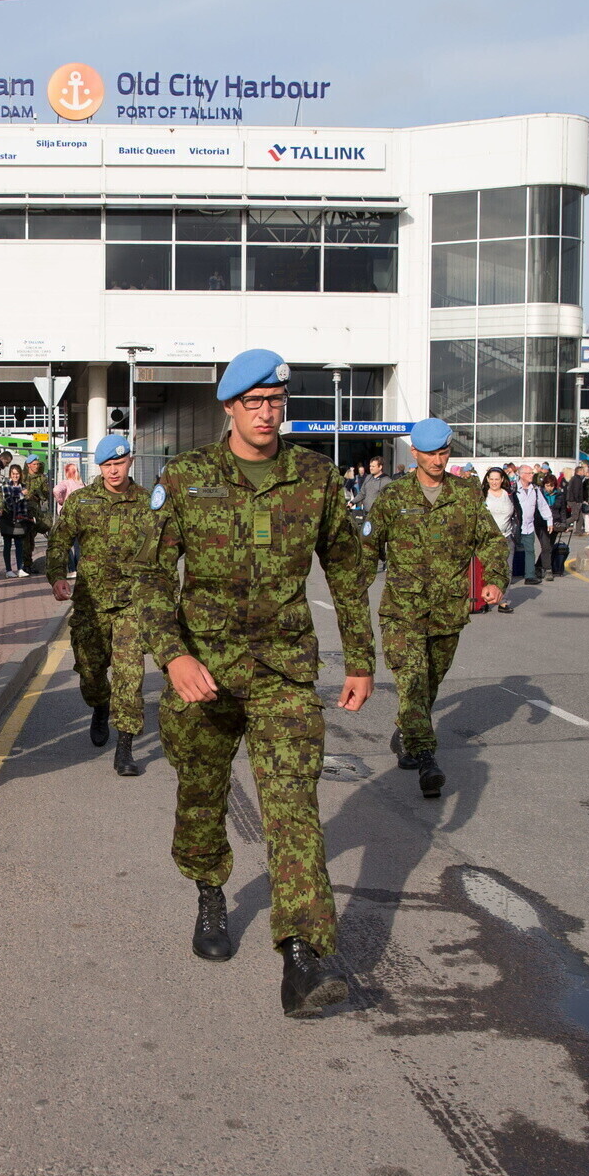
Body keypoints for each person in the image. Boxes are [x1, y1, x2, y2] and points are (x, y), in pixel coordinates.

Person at [133, 349, 374, 1018]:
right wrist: (173, 657)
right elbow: (150, 577)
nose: (267, 414)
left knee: (293, 805)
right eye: (254, 402)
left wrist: (360, 658)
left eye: (276, 401)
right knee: (200, 793)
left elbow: (346, 570)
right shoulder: (187, 478)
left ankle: (302, 956)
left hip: (283, 671)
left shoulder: (315, 477)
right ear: (230, 407)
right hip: (203, 673)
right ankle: (210, 888)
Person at [363, 420, 508, 797]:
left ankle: (405, 732)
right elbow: (367, 550)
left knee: (428, 683)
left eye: (443, 453)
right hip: (402, 612)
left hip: (448, 612)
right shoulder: (394, 497)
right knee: (412, 681)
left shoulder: (465, 494)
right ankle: (427, 758)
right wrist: (350, 593)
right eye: (429, 454)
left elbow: (490, 541)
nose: (437, 460)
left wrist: (495, 579)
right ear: (414, 453)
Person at [45, 434, 157, 777]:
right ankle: (100, 704)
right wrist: (57, 576)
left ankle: (125, 747)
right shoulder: (82, 501)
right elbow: (59, 541)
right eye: (107, 465)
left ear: (130, 461)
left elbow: (161, 552)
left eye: (119, 463)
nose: (113, 471)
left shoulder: (148, 502)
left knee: (129, 675)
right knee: (91, 672)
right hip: (91, 603)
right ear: (99, 467)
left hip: (131, 603)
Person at [478, 468, 520, 613]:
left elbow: (518, 513)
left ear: (502, 480)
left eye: (497, 479)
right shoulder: (482, 495)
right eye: (491, 479)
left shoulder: (510, 495)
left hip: (506, 537)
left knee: (507, 570)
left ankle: (503, 601)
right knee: (484, 570)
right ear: (487, 479)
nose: (494, 482)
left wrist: (516, 532)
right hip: (487, 539)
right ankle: (484, 600)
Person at [0, 464, 36, 576]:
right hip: (8, 518)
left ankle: (20, 569)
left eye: (17, 474)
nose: (15, 476)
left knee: (19, 544)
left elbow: (25, 502)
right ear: (10, 474)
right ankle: (8, 570)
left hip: (20, 519)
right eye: (13, 474)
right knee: (7, 544)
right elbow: (9, 501)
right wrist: (21, 494)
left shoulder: (23, 485)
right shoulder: (5, 484)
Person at [517, 472, 554, 584]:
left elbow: (543, 506)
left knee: (530, 551)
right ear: (521, 475)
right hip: (515, 526)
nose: (531, 474)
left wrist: (549, 520)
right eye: (528, 473)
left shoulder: (535, 490)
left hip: (529, 526)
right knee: (510, 551)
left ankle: (530, 576)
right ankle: (506, 576)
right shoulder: (513, 488)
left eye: (532, 473)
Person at [24, 456, 53, 531]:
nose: (36, 466)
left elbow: (46, 494)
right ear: (28, 465)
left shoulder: (42, 478)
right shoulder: (23, 477)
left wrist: (39, 495)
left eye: (38, 464)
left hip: (36, 508)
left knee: (34, 530)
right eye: (34, 464)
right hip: (23, 507)